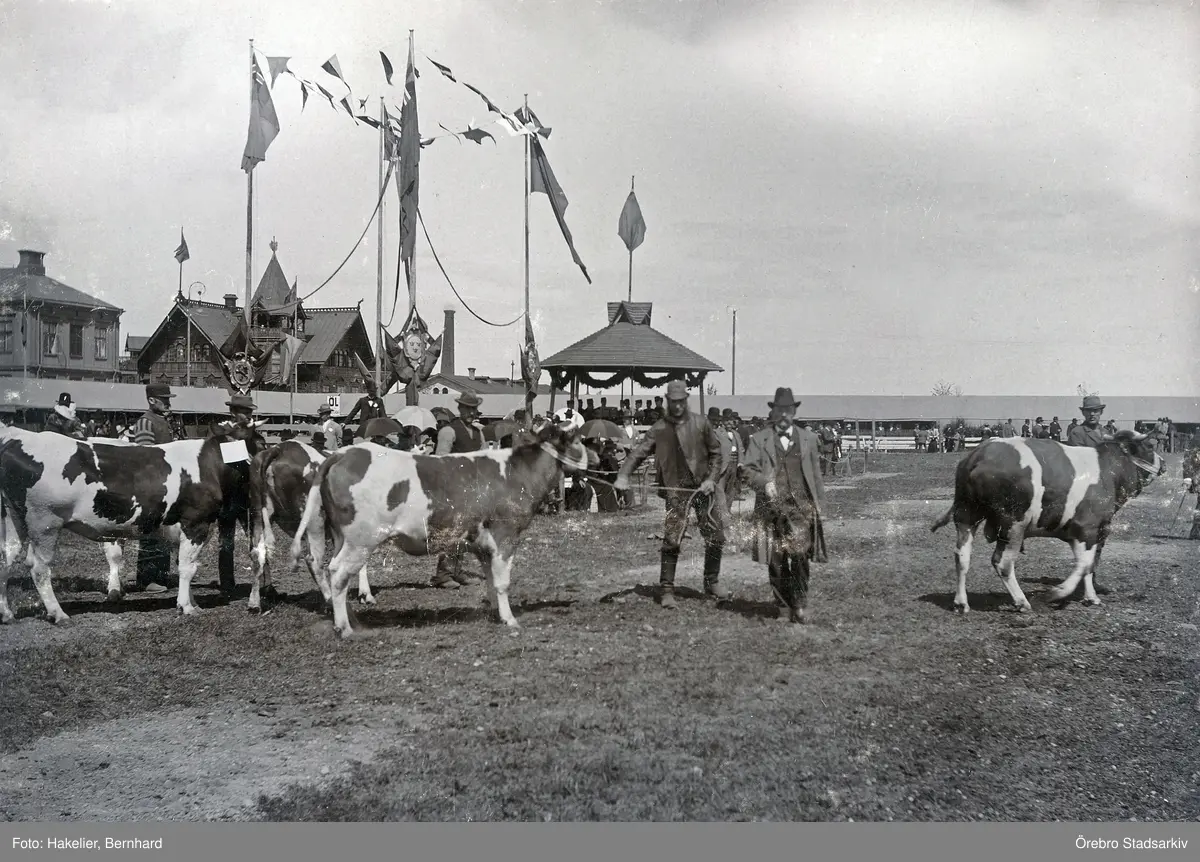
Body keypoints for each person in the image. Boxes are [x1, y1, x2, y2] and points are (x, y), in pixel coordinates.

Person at [614, 380, 728, 609]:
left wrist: (711, 479)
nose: (677, 406)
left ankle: (712, 582)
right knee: (672, 539)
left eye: (681, 402)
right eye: (673, 402)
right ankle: (666, 589)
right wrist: (623, 475)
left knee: (716, 536)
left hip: (703, 489)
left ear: (686, 401)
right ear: (667, 401)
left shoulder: (701, 423)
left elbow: (716, 454)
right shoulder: (659, 428)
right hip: (676, 490)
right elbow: (638, 453)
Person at [741, 387, 828, 625]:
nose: (783, 415)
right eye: (779, 410)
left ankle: (799, 604)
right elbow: (747, 469)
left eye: (787, 410)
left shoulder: (809, 439)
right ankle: (782, 606)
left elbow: (816, 475)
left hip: (800, 508)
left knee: (800, 556)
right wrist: (764, 482)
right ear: (773, 412)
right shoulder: (759, 439)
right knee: (775, 559)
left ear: (793, 412)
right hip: (770, 510)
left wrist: (819, 505)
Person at [431, 392, 487, 588]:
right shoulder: (448, 431)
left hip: (471, 490)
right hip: (452, 489)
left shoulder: (479, 433)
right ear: (460, 408)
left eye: (473, 409)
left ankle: (457, 571)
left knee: (464, 533)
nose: (471, 413)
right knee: (450, 532)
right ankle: (443, 575)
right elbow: (441, 462)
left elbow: (484, 460)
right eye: (467, 409)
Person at [131, 383, 177, 593]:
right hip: (150, 485)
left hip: (165, 484)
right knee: (150, 533)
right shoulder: (145, 422)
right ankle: (146, 579)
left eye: (168, 399)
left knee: (164, 532)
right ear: (151, 400)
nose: (168, 403)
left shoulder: (163, 421)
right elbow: (145, 458)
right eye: (164, 399)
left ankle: (161, 576)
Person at [212, 393, 257, 594]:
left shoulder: (253, 433)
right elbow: (223, 458)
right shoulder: (219, 431)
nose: (248, 416)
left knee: (256, 539)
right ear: (233, 412)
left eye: (250, 412)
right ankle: (227, 585)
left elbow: (257, 457)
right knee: (226, 542)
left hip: (247, 494)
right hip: (227, 495)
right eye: (244, 412)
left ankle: (263, 584)